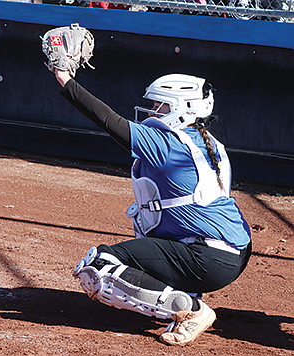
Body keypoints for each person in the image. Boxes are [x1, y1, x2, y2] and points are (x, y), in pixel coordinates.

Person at [54, 69, 252, 346]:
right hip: (229, 253)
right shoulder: (207, 142)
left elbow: (109, 121)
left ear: (184, 110)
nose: (154, 112)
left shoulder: (168, 144)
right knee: (152, 237)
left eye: (162, 106)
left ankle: (193, 310)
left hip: (208, 258)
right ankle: (187, 294)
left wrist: (64, 78)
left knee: (97, 266)